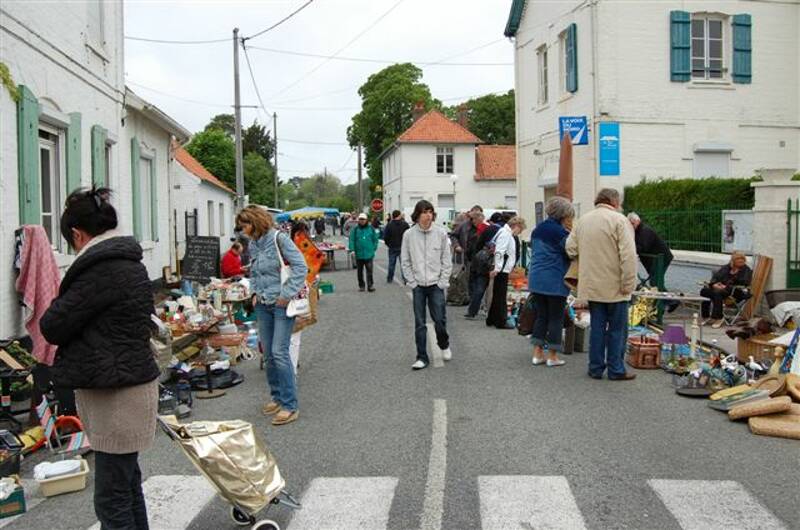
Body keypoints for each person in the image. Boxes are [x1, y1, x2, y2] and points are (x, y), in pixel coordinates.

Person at [40, 187, 159, 529]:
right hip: (128, 384)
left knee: (111, 499)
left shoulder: (99, 270)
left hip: (117, 396)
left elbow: (52, 325)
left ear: (77, 234)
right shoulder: (127, 262)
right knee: (127, 487)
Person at [237, 205, 308, 425]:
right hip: (263, 304)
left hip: (281, 304)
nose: (242, 230)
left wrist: (286, 294)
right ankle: (277, 397)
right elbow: (254, 269)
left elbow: (300, 266)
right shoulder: (253, 243)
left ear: (255, 222)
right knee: (267, 353)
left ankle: (289, 405)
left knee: (279, 352)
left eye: (245, 225)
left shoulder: (279, 238)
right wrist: (255, 292)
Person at [566, 188, 638, 381]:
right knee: (617, 330)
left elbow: (570, 248)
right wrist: (629, 283)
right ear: (615, 202)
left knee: (597, 328)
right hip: (616, 284)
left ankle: (595, 367)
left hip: (592, 285)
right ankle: (616, 369)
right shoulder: (619, 220)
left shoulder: (584, 220)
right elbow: (629, 256)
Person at [401, 200, 453, 369]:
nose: (428, 215)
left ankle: (443, 343)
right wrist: (412, 282)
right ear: (417, 215)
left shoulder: (441, 233)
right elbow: (405, 260)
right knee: (420, 323)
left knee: (439, 319)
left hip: (435, 284)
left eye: (430, 212)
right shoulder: (408, 235)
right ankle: (422, 357)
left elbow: (447, 260)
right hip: (418, 285)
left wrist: (442, 282)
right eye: (424, 212)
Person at [529, 197, 576, 367]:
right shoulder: (561, 233)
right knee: (556, 318)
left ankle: (537, 353)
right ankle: (553, 356)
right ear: (564, 215)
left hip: (536, 279)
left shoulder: (537, 230)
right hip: (555, 280)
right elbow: (571, 253)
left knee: (541, 316)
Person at [486, 216, 526, 329]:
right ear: (516, 226)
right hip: (502, 269)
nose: (520, 232)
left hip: (502, 268)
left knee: (497, 294)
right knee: (501, 296)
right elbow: (500, 251)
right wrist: (498, 268)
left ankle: (492, 318)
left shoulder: (503, 232)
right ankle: (501, 321)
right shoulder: (506, 234)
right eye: (521, 229)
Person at [700, 251, 752, 328]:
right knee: (704, 291)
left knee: (717, 294)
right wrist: (715, 284)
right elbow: (716, 277)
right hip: (720, 290)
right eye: (738, 258)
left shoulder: (746, 270)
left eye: (742, 259)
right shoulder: (726, 267)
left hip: (735, 291)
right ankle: (706, 316)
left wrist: (727, 286)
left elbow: (745, 282)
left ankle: (718, 318)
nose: (741, 260)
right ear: (733, 260)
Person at [627, 212, 673, 286]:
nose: (631, 226)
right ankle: (663, 296)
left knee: (656, 283)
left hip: (661, 259)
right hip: (654, 260)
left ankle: (663, 297)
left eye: (632, 223)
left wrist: (629, 247)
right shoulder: (636, 232)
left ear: (638, 221)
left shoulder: (645, 231)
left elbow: (643, 247)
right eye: (629, 224)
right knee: (655, 283)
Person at [348, 213, 379, 292]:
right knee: (359, 271)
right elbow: (351, 240)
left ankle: (370, 285)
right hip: (359, 254)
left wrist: (374, 248)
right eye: (360, 219)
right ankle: (361, 285)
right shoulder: (355, 230)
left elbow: (375, 239)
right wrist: (352, 249)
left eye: (363, 219)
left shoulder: (371, 228)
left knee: (369, 271)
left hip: (369, 254)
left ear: (366, 220)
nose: (362, 221)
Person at [383, 210, 410, 283]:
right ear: (399, 215)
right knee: (403, 264)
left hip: (392, 246)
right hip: (402, 247)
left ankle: (390, 278)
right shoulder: (405, 224)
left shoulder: (389, 225)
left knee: (391, 264)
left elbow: (385, 237)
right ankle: (405, 279)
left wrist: (388, 244)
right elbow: (409, 236)